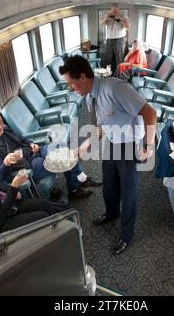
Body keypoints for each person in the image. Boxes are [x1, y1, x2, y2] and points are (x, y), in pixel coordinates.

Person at [59, 56, 156, 255]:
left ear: (83, 77)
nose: (71, 88)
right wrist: (85, 146)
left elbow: (150, 113)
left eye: (71, 83)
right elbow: (100, 127)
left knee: (128, 193)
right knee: (110, 184)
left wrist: (148, 144)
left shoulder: (115, 89)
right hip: (111, 142)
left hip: (129, 145)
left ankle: (126, 235)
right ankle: (112, 213)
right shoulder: (89, 98)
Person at [0, 111, 102, 199]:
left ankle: (80, 179)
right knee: (64, 158)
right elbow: (0, 174)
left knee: (62, 146)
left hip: (34, 151)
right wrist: (6, 162)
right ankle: (76, 187)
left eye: (0, 122)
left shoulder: (5, 129)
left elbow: (21, 139)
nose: (0, 126)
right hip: (28, 165)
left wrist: (31, 143)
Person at [100, 3, 130, 72]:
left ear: (118, 10)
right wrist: (106, 17)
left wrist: (120, 19)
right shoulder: (107, 16)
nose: (114, 12)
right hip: (109, 39)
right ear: (110, 10)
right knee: (108, 58)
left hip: (119, 39)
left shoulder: (124, 17)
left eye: (116, 11)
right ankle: (108, 73)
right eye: (113, 11)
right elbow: (101, 23)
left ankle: (120, 73)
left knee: (119, 58)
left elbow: (127, 26)